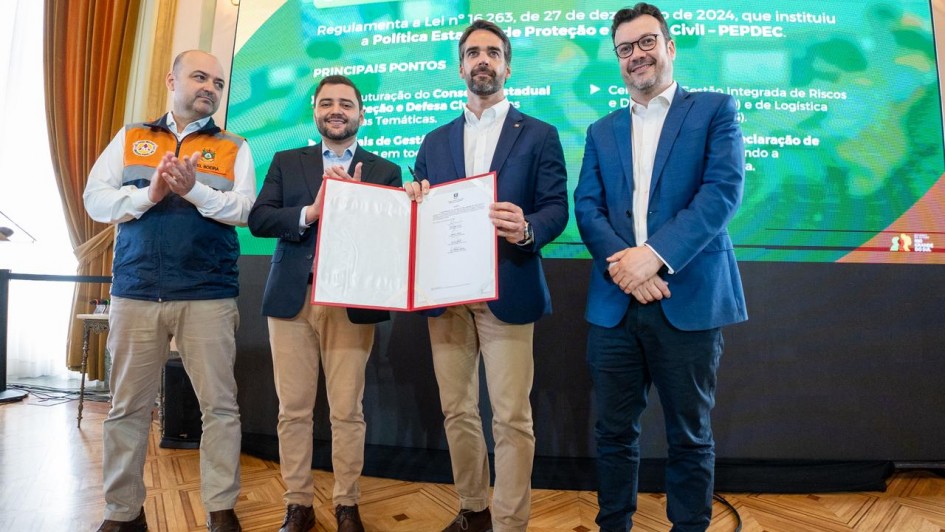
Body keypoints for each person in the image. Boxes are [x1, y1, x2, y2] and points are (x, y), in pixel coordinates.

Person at [573, 3, 748, 531]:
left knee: (689, 436)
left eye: (647, 42)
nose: (637, 55)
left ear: (670, 47)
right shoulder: (601, 130)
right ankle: (614, 525)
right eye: (625, 48)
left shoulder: (713, 109)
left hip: (687, 300)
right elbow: (587, 207)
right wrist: (626, 269)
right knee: (613, 434)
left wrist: (652, 258)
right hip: (615, 306)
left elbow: (722, 192)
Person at [404, 19, 569, 532]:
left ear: (507, 66)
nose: (483, 60)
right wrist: (414, 200)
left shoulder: (539, 134)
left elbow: (556, 208)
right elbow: (420, 209)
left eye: (493, 52)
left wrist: (527, 228)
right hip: (446, 297)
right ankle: (473, 508)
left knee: (512, 417)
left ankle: (509, 523)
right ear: (460, 67)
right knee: (457, 411)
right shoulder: (434, 141)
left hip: (508, 286)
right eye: (473, 52)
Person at [83, 50, 256, 532]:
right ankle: (123, 513)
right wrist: (150, 194)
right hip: (136, 291)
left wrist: (193, 190)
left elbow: (245, 210)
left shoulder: (235, 146)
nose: (210, 88)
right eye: (200, 77)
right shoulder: (131, 137)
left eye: (218, 83)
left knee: (220, 408)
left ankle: (220, 509)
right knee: (126, 409)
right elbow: (95, 200)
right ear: (171, 80)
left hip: (208, 294)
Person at [247, 75, 401, 532]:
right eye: (327, 102)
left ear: (361, 114)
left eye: (346, 104)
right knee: (292, 410)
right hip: (291, 300)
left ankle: (347, 503)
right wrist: (311, 213)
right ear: (314, 110)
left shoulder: (385, 170)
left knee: (347, 410)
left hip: (350, 304)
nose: (337, 110)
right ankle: (298, 504)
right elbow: (259, 219)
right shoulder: (286, 161)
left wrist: (361, 205)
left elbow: (392, 239)